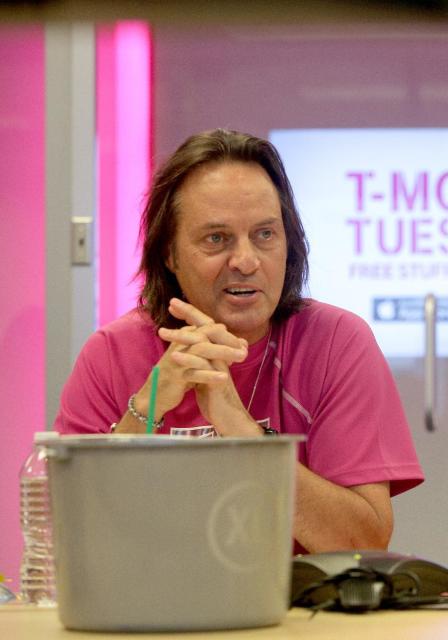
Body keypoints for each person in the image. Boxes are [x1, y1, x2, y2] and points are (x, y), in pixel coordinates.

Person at [54, 128, 424, 553]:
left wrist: (242, 431)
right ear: (169, 254)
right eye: (217, 239)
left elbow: (364, 540)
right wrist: (150, 404)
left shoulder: (336, 342)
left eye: (265, 235)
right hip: (149, 610)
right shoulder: (111, 354)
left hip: (301, 612)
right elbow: (69, 537)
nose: (246, 261)